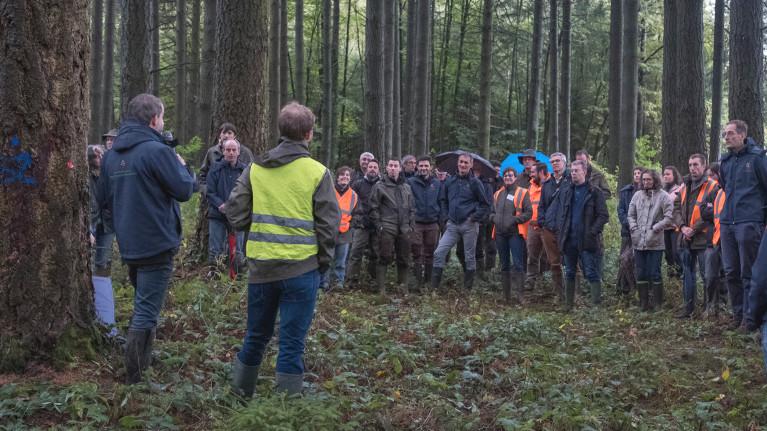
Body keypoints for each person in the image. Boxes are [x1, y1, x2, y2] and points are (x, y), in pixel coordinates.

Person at [225, 102, 340, 397]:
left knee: (255, 336)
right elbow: (329, 225)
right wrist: (323, 264)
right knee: (292, 343)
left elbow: (235, 211)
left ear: (281, 131)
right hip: (302, 271)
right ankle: (287, 411)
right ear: (308, 134)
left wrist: (257, 227)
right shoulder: (318, 172)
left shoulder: (255, 169)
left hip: (262, 270)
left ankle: (239, 398)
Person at [97, 94, 196, 384]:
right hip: (156, 242)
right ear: (153, 119)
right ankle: (136, 377)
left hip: (128, 243)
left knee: (144, 304)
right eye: (162, 117)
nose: (163, 122)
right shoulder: (157, 151)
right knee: (146, 311)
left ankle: (143, 362)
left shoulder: (112, 156)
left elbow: (103, 200)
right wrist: (183, 166)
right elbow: (184, 190)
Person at [719, 120, 767, 330]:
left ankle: (750, 320)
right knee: (731, 271)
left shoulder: (757, 158)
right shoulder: (726, 161)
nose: (726, 137)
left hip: (750, 221)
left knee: (749, 272)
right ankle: (737, 315)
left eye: (730, 134)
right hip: (728, 222)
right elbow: (724, 186)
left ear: (742, 135)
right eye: (724, 134)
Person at [431, 152, 492, 290]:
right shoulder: (450, 181)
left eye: (466, 162)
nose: (463, 165)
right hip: (452, 225)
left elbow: (485, 204)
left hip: (469, 225)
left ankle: (467, 290)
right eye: (461, 162)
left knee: (469, 257)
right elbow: (443, 200)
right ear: (457, 163)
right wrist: (445, 217)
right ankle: (433, 289)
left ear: (471, 165)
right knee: (439, 253)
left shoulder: (475, 183)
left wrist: (474, 218)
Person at [555, 160, 609, 310]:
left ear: (584, 172)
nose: (573, 173)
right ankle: (568, 305)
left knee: (591, 272)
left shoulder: (595, 192)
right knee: (570, 272)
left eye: (576, 170)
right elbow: (562, 214)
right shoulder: (567, 191)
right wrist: (561, 231)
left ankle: (595, 307)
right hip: (569, 238)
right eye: (572, 171)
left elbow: (603, 215)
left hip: (587, 239)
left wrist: (592, 232)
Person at [674, 154, 720, 319]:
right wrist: (683, 227)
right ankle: (688, 308)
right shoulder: (684, 185)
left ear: (704, 166)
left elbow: (712, 211)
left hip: (704, 238)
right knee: (687, 274)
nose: (692, 168)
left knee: (707, 275)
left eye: (695, 165)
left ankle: (710, 310)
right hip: (686, 238)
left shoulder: (713, 186)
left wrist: (693, 228)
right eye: (690, 165)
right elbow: (676, 208)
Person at [628, 169, 674, 311]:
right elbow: (630, 214)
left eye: (649, 179)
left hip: (655, 242)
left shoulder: (664, 196)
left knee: (654, 272)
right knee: (641, 272)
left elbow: (669, 217)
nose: (646, 182)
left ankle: (657, 304)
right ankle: (643, 303)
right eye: (644, 179)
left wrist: (656, 228)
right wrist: (634, 227)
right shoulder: (637, 195)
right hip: (638, 241)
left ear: (655, 180)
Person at [370, 159, 416, 294]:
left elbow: (412, 208)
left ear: (400, 169)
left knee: (404, 258)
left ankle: (403, 288)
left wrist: (411, 225)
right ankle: (381, 289)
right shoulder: (379, 186)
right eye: (391, 166)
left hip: (404, 228)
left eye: (396, 166)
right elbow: (373, 208)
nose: (393, 168)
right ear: (386, 168)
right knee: (384, 257)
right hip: (387, 226)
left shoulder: (406, 187)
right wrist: (379, 226)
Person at [88, 144, 119, 339]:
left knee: (103, 261)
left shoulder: (110, 175)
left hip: (108, 223)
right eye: (95, 156)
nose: (98, 158)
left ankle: (103, 308)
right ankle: (89, 298)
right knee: (87, 261)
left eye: (101, 156)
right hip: (90, 221)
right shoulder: (84, 176)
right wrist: (85, 229)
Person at [206, 138, 247, 273]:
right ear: (223, 151)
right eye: (228, 150)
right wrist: (220, 205)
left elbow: (249, 193)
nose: (231, 153)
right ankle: (215, 281)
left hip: (238, 217)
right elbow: (210, 192)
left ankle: (236, 282)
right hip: (217, 215)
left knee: (238, 251)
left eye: (233, 150)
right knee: (215, 251)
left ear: (238, 152)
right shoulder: (215, 168)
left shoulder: (245, 170)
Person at [493, 168, 532, 303]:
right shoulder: (498, 193)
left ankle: (520, 296)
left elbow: (529, 212)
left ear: (515, 177)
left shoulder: (522, 192)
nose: (508, 177)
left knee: (518, 264)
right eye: (505, 175)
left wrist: (515, 220)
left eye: (510, 175)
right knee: (504, 264)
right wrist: (493, 218)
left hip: (515, 233)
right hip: (500, 233)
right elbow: (492, 210)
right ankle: (506, 296)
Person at [537, 152, 569, 302]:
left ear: (564, 162)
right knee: (554, 262)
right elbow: (542, 205)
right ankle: (560, 294)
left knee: (571, 262)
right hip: (549, 228)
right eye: (552, 161)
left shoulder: (570, 181)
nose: (555, 164)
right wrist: (542, 222)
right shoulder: (547, 184)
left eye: (557, 161)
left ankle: (574, 295)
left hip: (567, 228)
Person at [345, 159, 381, 288]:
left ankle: (373, 281)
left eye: (375, 167)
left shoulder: (382, 185)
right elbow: (351, 202)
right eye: (370, 167)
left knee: (376, 254)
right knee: (355, 253)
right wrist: (356, 218)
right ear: (366, 169)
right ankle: (351, 281)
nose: (372, 169)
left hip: (377, 225)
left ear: (378, 169)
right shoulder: (358, 184)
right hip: (361, 225)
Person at [320, 166, 358, 291]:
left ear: (350, 178)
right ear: (337, 177)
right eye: (342, 175)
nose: (345, 177)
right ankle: (323, 283)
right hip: (329, 231)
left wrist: (351, 226)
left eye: (347, 175)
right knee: (326, 258)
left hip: (345, 233)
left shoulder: (353, 195)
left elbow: (357, 213)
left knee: (340, 262)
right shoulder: (329, 191)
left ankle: (338, 283)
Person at [408, 156, 442, 289]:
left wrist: (440, 220)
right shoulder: (411, 182)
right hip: (417, 222)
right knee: (417, 251)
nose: (423, 168)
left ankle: (428, 282)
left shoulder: (437, 183)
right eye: (421, 166)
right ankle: (417, 281)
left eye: (426, 166)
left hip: (433, 222)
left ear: (431, 167)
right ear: (417, 167)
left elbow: (441, 201)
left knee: (430, 251)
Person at [701, 163, 726, 317]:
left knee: (725, 276)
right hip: (712, 240)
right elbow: (704, 211)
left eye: (712, 175)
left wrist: (712, 210)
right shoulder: (712, 192)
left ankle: (722, 307)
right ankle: (711, 306)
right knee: (710, 276)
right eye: (708, 175)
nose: (710, 178)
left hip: (727, 240)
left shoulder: (726, 191)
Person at [199, 122, 255, 190]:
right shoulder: (212, 152)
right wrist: (205, 191)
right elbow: (203, 174)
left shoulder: (245, 152)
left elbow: (252, 174)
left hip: (238, 195)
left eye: (229, 133)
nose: (226, 135)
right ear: (220, 135)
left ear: (235, 136)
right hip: (215, 196)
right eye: (223, 133)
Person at [617, 167, 643, 295]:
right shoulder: (626, 191)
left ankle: (638, 289)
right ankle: (623, 287)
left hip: (641, 232)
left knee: (635, 261)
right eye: (635, 173)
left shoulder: (647, 191)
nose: (637, 175)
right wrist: (627, 222)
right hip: (627, 231)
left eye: (639, 173)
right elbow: (621, 209)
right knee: (624, 259)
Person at [524, 162, 550, 292]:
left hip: (547, 227)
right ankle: (530, 281)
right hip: (532, 227)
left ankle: (549, 283)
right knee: (532, 256)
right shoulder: (531, 187)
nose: (531, 174)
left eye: (533, 172)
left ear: (541, 172)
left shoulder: (551, 185)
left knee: (551, 257)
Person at [662, 166, 684, 278]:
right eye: (664, 174)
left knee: (676, 253)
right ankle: (671, 277)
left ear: (674, 176)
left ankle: (680, 276)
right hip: (664, 226)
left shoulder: (679, 189)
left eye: (668, 174)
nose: (665, 176)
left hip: (676, 226)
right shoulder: (661, 190)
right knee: (668, 254)